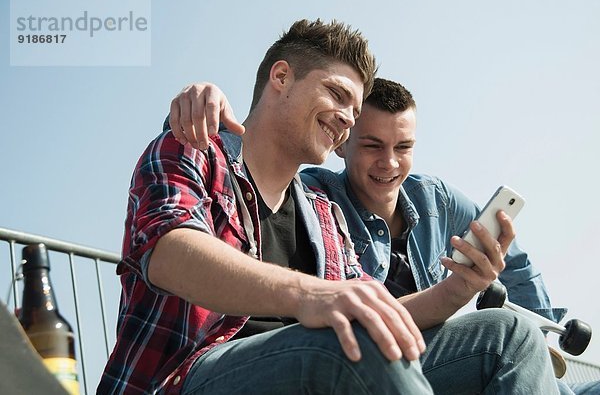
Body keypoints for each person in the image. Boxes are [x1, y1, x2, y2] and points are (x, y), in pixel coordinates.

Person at [101, 19, 560, 394]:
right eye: (337, 95)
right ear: (281, 78)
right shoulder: (191, 150)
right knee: (350, 342)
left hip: (317, 367)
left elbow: (376, 307)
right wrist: (313, 295)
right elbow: (170, 253)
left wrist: (458, 291)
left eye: (354, 110)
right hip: (186, 378)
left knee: (506, 335)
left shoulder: (324, 213)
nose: (346, 118)